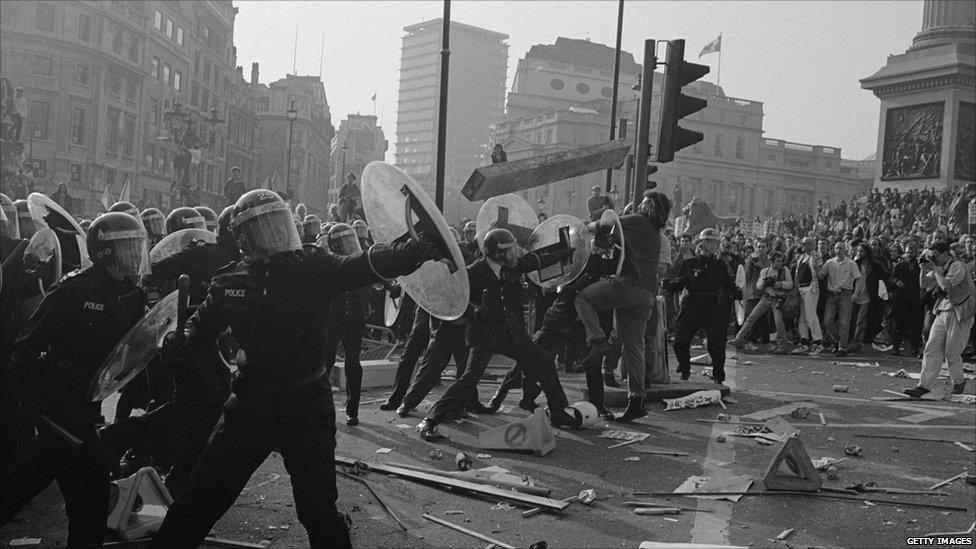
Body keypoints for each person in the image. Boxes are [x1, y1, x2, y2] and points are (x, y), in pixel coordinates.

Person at [147, 189, 441, 549]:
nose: (275, 235)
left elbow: (366, 264)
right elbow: (200, 325)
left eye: (277, 225)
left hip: (306, 406)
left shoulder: (313, 267)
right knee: (198, 501)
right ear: (243, 238)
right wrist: (181, 340)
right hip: (249, 405)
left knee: (318, 512)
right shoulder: (229, 280)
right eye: (264, 228)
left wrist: (416, 249)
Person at [2, 212, 148, 547]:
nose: (135, 255)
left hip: (87, 402)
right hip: (59, 404)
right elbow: (25, 347)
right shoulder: (74, 290)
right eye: (127, 247)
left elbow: (135, 349)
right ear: (105, 252)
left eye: (137, 247)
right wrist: (30, 398)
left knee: (29, 478)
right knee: (91, 493)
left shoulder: (131, 294)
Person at [100, 205, 240, 496]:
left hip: (212, 343)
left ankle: (177, 468)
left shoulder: (242, 263)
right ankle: (124, 444)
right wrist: (169, 308)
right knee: (197, 404)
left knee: (196, 407)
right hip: (187, 341)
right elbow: (151, 270)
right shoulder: (202, 253)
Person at [415, 228, 578, 441]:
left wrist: (563, 252)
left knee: (544, 362)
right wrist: (474, 310)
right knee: (469, 379)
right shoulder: (473, 272)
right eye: (510, 249)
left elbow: (534, 261)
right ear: (499, 252)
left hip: (511, 334)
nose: (515, 253)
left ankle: (558, 411)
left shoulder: (508, 267)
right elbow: (455, 298)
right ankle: (429, 420)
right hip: (484, 335)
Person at [574, 191, 670, 422]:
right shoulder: (656, 232)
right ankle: (636, 401)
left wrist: (588, 225)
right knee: (634, 347)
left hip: (627, 287)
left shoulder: (638, 221)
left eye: (644, 202)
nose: (639, 205)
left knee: (583, 299)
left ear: (649, 206)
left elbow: (608, 222)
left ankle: (597, 341)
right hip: (647, 295)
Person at [666, 229, 739, 383]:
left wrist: (738, 293)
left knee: (717, 344)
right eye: (709, 241)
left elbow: (729, 285)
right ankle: (684, 367)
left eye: (715, 242)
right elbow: (679, 283)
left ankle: (719, 376)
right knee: (680, 341)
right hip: (691, 304)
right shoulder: (689, 264)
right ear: (702, 243)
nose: (712, 245)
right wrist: (668, 285)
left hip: (712, 306)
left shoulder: (720, 265)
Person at [905, 241, 975, 398]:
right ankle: (923, 386)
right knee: (931, 347)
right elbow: (924, 284)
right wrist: (923, 269)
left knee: (951, 352)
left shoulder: (957, 266)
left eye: (935, 256)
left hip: (961, 313)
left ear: (945, 253)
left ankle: (958, 381)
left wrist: (935, 270)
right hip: (943, 310)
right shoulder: (939, 267)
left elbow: (946, 286)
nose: (933, 259)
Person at [320, 223, 370, 426]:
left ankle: (353, 410)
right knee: (326, 363)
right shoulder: (328, 263)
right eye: (344, 242)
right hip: (333, 317)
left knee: (353, 364)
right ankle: (322, 408)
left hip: (354, 317)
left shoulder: (357, 262)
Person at [730, 250, 793, 354]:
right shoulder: (765, 271)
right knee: (751, 317)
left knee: (778, 321)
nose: (780, 263)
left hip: (778, 299)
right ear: (772, 262)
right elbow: (758, 286)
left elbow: (790, 284)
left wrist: (779, 284)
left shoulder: (784, 270)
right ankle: (739, 338)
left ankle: (782, 345)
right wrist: (765, 282)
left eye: (781, 261)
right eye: (777, 261)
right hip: (766, 297)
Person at [821, 241, 860, 357]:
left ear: (845, 250)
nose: (838, 250)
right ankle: (838, 340)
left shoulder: (851, 263)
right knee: (827, 320)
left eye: (841, 248)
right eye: (837, 248)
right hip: (832, 294)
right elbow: (821, 274)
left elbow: (858, 279)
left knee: (844, 322)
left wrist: (855, 294)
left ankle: (842, 348)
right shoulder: (829, 263)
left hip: (845, 294)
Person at [888, 242, 923, 357]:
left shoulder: (920, 266)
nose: (909, 254)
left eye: (912, 252)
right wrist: (897, 282)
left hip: (916, 300)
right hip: (902, 300)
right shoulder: (900, 265)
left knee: (916, 327)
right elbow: (892, 278)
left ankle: (915, 349)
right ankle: (896, 347)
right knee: (899, 326)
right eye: (907, 252)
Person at [792, 236, 825, 356]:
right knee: (802, 318)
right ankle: (804, 341)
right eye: (803, 243)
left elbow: (818, 271)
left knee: (811, 315)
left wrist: (815, 260)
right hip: (801, 288)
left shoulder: (814, 256)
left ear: (812, 245)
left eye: (806, 243)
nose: (803, 245)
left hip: (810, 288)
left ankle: (818, 342)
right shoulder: (801, 257)